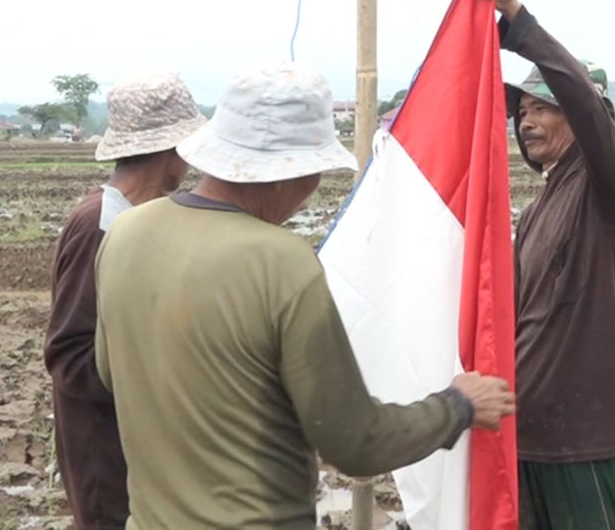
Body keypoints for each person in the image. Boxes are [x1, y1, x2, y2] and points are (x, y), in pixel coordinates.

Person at [94, 62, 515, 529]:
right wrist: (457, 406)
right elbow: (355, 444)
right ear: (281, 174)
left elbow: (110, 373)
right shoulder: (281, 261)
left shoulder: (124, 233)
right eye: (314, 172)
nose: (312, 192)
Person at [463, 0, 615, 530]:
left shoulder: (610, 184)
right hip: (525, 436)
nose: (527, 120)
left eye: (545, 107)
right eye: (522, 109)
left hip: (588, 444)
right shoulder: (542, 200)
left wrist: (516, 16)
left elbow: (586, 106)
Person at [44, 73, 205, 530]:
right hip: (106, 448)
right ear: (171, 151)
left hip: (140, 443)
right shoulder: (99, 223)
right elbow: (69, 354)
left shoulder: (139, 217)